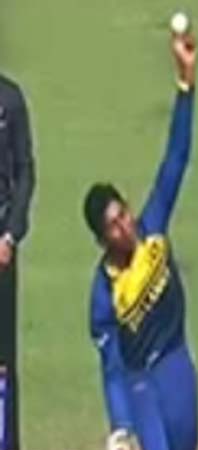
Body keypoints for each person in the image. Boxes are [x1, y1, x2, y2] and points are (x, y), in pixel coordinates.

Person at [84, 29, 198, 450]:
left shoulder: (153, 230)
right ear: (102, 240)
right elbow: (112, 366)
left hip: (178, 367)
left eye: (124, 214)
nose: (125, 226)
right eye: (113, 226)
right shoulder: (104, 293)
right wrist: (120, 425)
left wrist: (186, 84)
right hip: (143, 386)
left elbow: (176, 158)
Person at [0, 73, 35, 450]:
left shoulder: (9, 99)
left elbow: (25, 170)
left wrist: (10, 235)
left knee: (2, 360)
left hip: (0, 251)